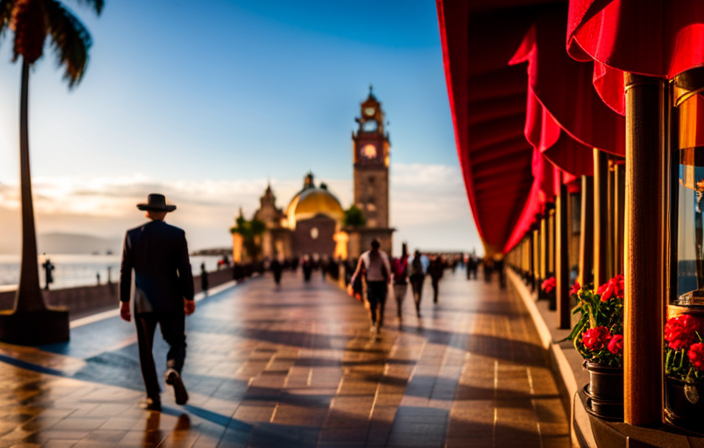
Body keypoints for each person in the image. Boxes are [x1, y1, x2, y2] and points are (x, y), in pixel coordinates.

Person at [119, 193, 195, 412]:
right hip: (171, 300)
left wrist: (124, 301)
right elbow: (185, 270)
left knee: (145, 349)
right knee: (177, 342)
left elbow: (125, 271)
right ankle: (173, 369)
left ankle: (153, 396)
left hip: (143, 303)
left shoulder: (133, 235)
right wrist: (188, 297)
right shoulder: (177, 235)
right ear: (164, 213)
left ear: (147, 212)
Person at [351, 239, 391, 333]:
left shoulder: (365, 256)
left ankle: (374, 322)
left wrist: (353, 281)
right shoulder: (382, 256)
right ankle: (378, 320)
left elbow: (358, 270)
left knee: (373, 304)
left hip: (371, 283)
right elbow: (388, 270)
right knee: (380, 303)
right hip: (379, 283)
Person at [391, 243, 410, 322]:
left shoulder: (396, 262)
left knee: (398, 298)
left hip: (397, 282)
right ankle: (399, 310)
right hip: (402, 283)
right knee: (400, 298)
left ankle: (399, 310)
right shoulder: (406, 262)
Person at [409, 250, 428, 317]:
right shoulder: (418, 262)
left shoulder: (414, 262)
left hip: (416, 281)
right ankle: (417, 308)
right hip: (417, 281)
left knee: (417, 295)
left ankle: (417, 308)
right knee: (418, 295)